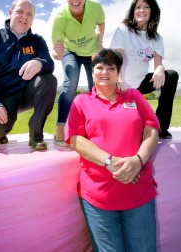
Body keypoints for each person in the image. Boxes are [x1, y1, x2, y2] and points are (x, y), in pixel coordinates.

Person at [65, 48, 160, 252]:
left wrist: (138, 161)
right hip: (98, 199)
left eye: (111, 68)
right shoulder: (81, 102)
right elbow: (75, 140)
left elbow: (152, 130)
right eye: (99, 67)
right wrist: (110, 162)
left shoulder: (134, 96)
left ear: (118, 73)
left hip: (139, 195)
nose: (105, 72)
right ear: (92, 73)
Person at [0, 0, 57, 150]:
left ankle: (35, 136)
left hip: (27, 93)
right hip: (3, 97)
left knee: (49, 80)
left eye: (30, 14)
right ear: (10, 13)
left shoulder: (37, 41)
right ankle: (1, 134)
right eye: (20, 12)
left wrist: (39, 63)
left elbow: (50, 63)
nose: (25, 17)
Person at [110, 0, 178, 139]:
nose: (142, 10)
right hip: (121, 85)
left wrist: (160, 69)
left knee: (171, 75)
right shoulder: (123, 29)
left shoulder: (157, 38)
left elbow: (158, 62)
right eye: (138, 7)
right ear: (133, 11)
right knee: (130, 129)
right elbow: (117, 57)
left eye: (146, 7)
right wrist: (119, 79)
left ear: (152, 11)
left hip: (141, 83)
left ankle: (161, 127)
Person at [51, 0, 105, 146]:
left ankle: (95, 128)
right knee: (71, 81)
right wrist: (57, 53)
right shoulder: (60, 18)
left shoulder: (95, 8)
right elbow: (56, 54)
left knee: (95, 87)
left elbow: (101, 22)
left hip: (91, 52)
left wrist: (100, 41)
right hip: (71, 52)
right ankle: (61, 126)